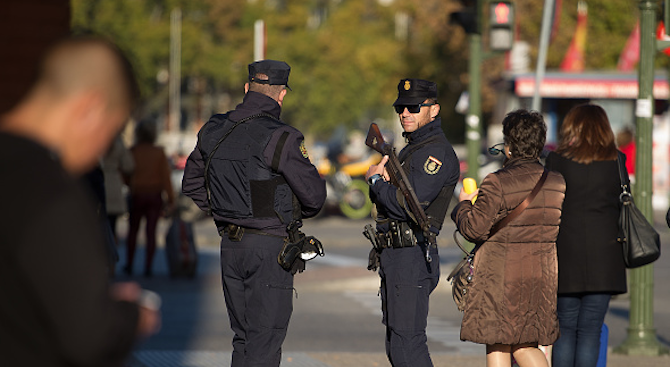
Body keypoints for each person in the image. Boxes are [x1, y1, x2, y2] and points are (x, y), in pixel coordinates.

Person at [0, 35, 160, 367]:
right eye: (111, 130)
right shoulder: (49, 190)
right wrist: (131, 316)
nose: (101, 148)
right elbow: (89, 337)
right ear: (90, 108)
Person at [182, 59, 326, 367]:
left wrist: (225, 210)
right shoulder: (282, 137)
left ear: (247, 88)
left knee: (243, 338)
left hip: (230, 246)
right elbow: (314, 198)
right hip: (269, 248)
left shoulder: (213, 129)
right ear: (282, 94)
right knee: (264, 339)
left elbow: (192, 184)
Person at [452, 109, 566, 367]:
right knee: (526, 345)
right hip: (541, 274)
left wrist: (463, 206)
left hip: (501, 275)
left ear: (509, 145)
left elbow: (474, 229)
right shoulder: (556, 182)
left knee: (499, 343)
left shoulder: (497, 182)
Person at [364, 78, 460, 367]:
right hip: (396, 255)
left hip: (412, 255)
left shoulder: (436, 153)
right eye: (401, 108)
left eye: (413, 107)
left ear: (434, 110)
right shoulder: (411, 150)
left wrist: (376, 181)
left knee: (408, 346)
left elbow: (409, 204)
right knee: (397, 345)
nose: (405, 113)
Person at [545, 104, 628, 367]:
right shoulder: (617, 160)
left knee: (565, 329)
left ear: (573, 127)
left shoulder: (557, 161)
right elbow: (623, 201)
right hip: (605, 258)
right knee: (591, 330)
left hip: (565, 255)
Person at [124, 120, 174, 277]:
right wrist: (171, 198)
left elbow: (125, 172)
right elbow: (166, 177)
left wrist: (130, 184)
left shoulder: (133, 151)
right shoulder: (159, 152)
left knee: (133, 231)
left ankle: (130, 264)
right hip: (154, 195)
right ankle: (148, 267)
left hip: (137, 194)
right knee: (151, 232)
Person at [103, 134, 135, 243]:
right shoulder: (119, 144)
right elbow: (129, 165)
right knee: (112, 225)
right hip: (114, 183)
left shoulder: (95, 140)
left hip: (98, 182)